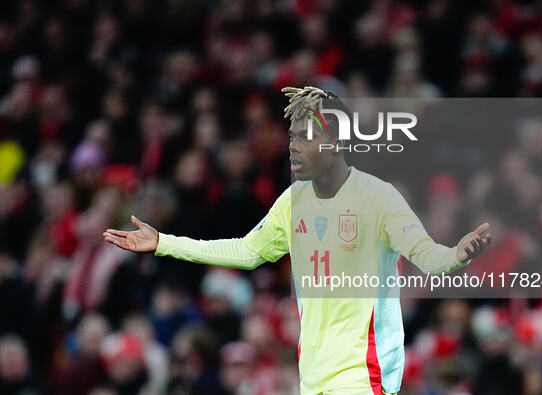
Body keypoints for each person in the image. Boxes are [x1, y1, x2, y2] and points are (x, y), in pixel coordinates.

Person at [104, 86, 492, 395]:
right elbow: (247, 251)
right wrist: (165, 243)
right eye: (292, 137)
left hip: (364, 374)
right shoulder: (293, 201)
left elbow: (426, 255)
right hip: (313, 376)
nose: (293, 145)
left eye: (305, 137)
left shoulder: (378, 197)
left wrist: (456, 255)